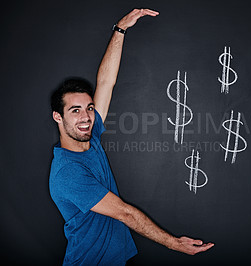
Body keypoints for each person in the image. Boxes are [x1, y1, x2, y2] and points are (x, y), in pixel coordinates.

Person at [49, 8, 214, 265]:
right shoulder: (67, 173)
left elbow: (105, 83)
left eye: (89, 108)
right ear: (58, 117)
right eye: (75, 111)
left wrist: (120, 29)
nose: (86, 117)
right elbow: (125, 213)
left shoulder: (90, 140)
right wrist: (174, 243)